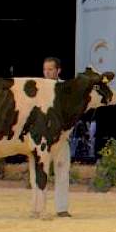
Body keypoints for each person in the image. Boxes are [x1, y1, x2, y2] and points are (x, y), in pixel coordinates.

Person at [42, 56, 73, 217]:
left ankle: (61, 208)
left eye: (50, 69)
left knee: (62, 171)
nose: (47, 72)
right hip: (41, 139)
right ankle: (39, 207)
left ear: (58, 70)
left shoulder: (65, 88)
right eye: (45, 69)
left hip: (60, 136)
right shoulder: (37, 88)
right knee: (40, 173)